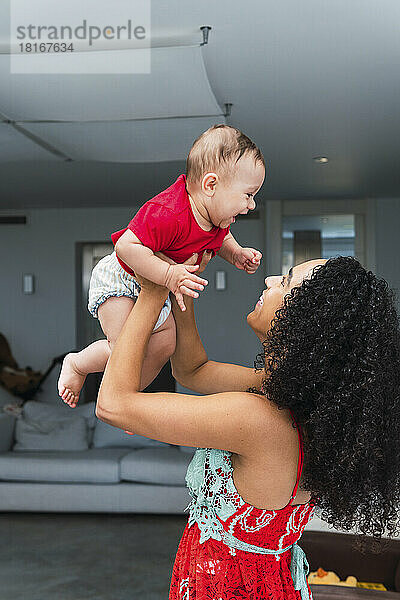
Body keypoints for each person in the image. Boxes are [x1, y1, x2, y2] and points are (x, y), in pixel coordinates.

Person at [95, 253, 400, 599]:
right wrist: (179, 284)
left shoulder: (258, 420)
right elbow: (192, 371)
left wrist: (152, 292)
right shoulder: (294, 404)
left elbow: (112, 405)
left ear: (307, 321)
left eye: (285, 282)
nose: (270, 280)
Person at [57, 124, 265, 411]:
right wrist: (168, 274)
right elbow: (126, 246)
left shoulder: (218, 219)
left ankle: (130, 399)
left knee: (165, 345)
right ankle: (78, 364)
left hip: (159, 286)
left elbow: (222, 238)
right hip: (121, 276)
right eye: (248, 194)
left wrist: (237, 254)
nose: (251, 205)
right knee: (125, 348)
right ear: (211, 185)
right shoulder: (169, 212)